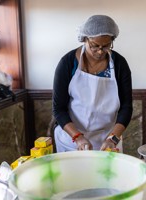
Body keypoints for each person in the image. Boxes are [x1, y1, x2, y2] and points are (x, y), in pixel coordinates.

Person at [52, 15, 133, 152]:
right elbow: (58, 109)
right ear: (84, 39)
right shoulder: (68, 63)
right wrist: (77, 137)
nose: (100, 51)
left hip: (107, 140)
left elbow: (126, 107)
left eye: (106, 46)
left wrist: (112, 138)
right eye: (94, 46)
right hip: (71, 140)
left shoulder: (119, 64)